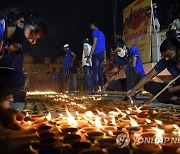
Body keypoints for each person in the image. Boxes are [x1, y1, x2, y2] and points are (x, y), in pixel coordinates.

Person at [0, 8, 47, 130]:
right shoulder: (1, 28)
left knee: (17, 78)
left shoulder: (14, 46)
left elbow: (10, 75)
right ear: (21, 22)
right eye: (32, 35)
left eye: (36, 40)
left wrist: (5, 110)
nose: (32, 42)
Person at [126, 39, 180, 104]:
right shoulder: (165, 61)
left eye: (169, 56)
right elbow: (148, 77)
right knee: (149, 85)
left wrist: (173, 89)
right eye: (164, 56)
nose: (166, 59)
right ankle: (175, 99)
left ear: (178, 51)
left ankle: (170, 99)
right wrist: (133, 90)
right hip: (176, 87)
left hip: (177, 88)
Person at [87, 21, 106, 94]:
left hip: (97, 54)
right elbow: (104, 47)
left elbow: (94, 43)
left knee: (95, 72)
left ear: (93, 25)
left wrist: (90, 55)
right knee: (100, 72)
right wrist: (104, 58)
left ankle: (96, 89)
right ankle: (102, 88)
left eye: (91, 26)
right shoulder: (102, 33)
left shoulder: (95, 31)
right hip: (102, 54)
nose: (90, 27)